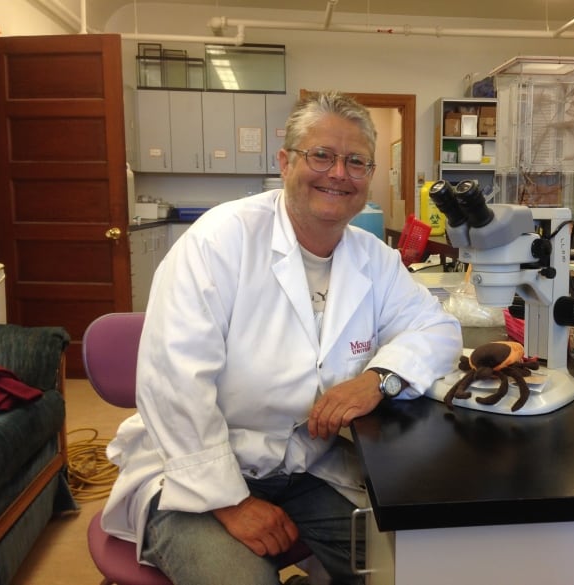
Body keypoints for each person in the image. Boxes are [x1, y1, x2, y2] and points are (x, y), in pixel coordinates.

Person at [101, 91, 463, 585]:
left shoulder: (372, 257)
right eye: (322, 155)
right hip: (195, 474)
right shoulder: (219, 242)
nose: (339, 173)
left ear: (369, 176)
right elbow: (173, 383)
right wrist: (230, 501)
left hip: (306, 469)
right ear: (285, 161)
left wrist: (379, 379)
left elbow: (437, 328)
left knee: (409, 567)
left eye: (356, 161)